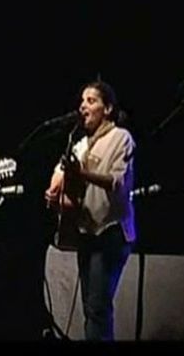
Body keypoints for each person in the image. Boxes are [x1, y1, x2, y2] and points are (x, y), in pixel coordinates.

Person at [44, 80, 136, 341]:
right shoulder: (81, 143)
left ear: (107, 109)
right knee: (91, 307)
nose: (83, 106)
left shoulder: (121, 138)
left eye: (91, 101)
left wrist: (81, 172)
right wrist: (54, 195)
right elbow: (61, 176)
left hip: (111, 232)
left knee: (97, 307)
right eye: (82, 101)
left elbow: (117, 184)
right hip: (87, 233)